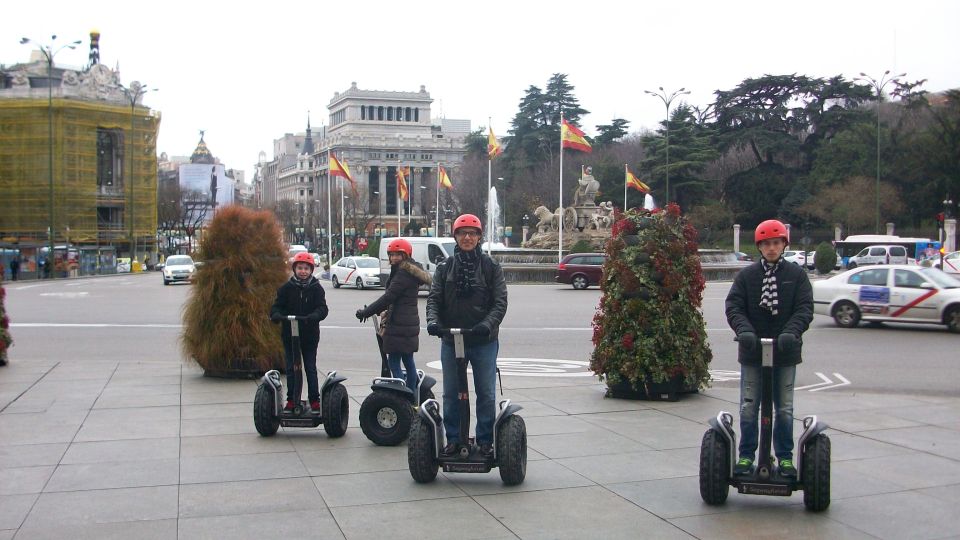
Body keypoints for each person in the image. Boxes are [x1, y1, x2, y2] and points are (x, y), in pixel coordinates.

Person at [725, 219, 813, 478]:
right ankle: (746, 455)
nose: (771, 248)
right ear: (760, 247)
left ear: (784, 245)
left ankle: (785, 458)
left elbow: (804, 308)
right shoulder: (747, 276)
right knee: (749, 406)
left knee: (784, 407)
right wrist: (744, 331)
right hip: (753, 350)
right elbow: (734, 307)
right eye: (766, 244)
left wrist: (791, 332)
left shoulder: (796, 276)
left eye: (776, 243)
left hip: (785, 351)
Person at [425, 214, 508, 458]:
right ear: (456, 237)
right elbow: (434, 299)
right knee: (451, 392)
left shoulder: (490, 267)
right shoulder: (445, 268)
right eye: (463, 233)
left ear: (479, 237)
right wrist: (433, 321)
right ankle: (453, 438)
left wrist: (488, 324)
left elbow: (500, 302)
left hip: (483, 340)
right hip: (452, 340)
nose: (468, 237)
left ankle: (484, 440)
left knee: (485, 392)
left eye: (472, 233)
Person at [355, 238, 432, 395]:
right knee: (408, 361)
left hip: (400, 325)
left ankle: (403, 394)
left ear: (406, 255)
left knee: (394, 362)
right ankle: (412, 394)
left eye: (398, 254)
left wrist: (367, 312)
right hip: (407, 323)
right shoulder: (408, 271)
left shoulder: (403, 273)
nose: (394, 258)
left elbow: (389, 297)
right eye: (392, 255)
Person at [270, 252, 329, 413]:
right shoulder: (286, 288)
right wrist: (276, 315)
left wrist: (315, 316)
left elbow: (322, 308)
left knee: (310, 367)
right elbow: (277, 306)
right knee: (291, 368)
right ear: (295, 269)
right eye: (300, 268)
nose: (303, 271)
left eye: (306, 269)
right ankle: (292, 400)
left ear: (311, 270)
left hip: (309, 335)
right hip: (289, 335)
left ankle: (314, 400)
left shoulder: (316, 288)